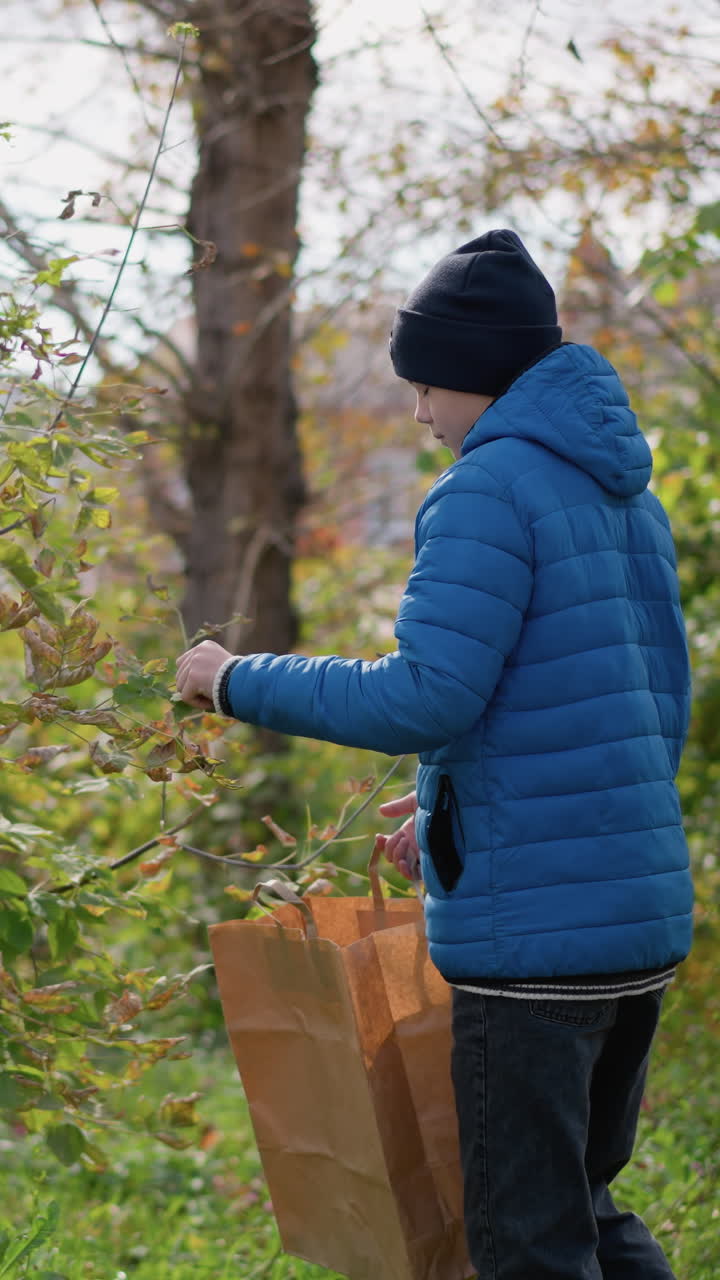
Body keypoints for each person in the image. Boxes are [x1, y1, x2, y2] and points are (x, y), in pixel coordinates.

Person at [175, 228, 693, 1279]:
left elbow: (426, 693)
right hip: (634, 920)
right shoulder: (624, 494)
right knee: (585, 1211)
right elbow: (641, 708)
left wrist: (231, 678)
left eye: (426, 384)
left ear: (477, 373)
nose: (418, 410)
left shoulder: (486, 489)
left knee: (526, 1240)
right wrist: (456, 810)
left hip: (533, 946)